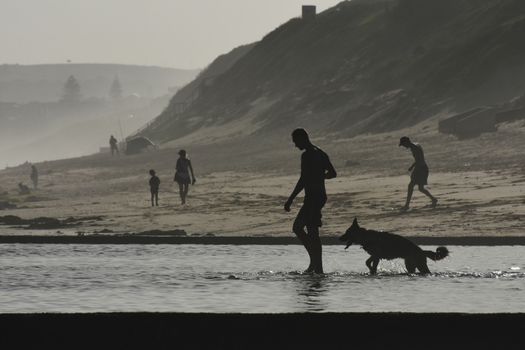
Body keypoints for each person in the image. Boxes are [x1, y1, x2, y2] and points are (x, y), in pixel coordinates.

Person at [284, 128, 337, 274]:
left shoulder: (307, 155)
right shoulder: (321, 153)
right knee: (312, 231)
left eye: (296, 142)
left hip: (313, 197)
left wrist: (290, 199)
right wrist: (320, 177)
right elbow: (333, 173)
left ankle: (315, 264)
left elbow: (303, 179)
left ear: (302, 138)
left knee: (298, 227)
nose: (295, 145)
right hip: (320, 196)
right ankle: (317, 267)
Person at [399, 136, 437, 211]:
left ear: (406, 142)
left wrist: (414, 169)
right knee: (420, 188)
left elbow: (419, 160)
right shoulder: (416, 145)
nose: (404, 146)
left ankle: (406, 205)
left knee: (411, 186)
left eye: (403, 144)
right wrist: (412, 166)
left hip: (421, 169)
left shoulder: (414, 148)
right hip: (422, 168)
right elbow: (419, 159)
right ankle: (433, 199)